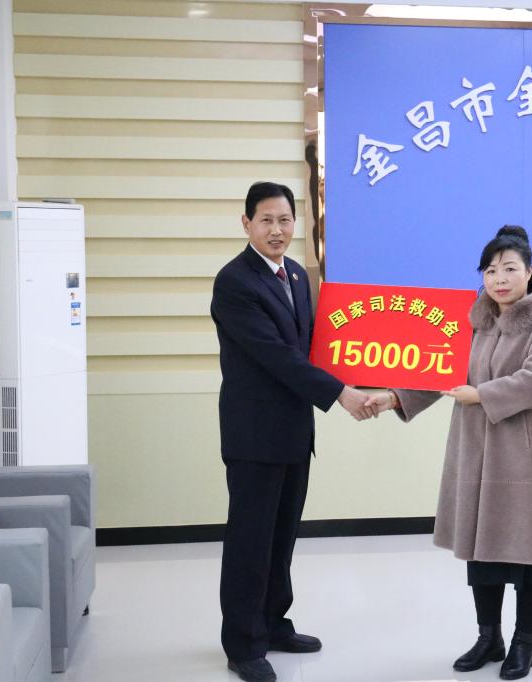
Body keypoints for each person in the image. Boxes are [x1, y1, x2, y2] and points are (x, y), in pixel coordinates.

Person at [368, 225, 532, 680]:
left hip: (526, 458)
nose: (499, 278)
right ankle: (488, 637)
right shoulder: (475, 320)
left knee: (531, 554)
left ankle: (524, 642)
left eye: (509, 269)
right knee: (483, 551)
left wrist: (480, 395)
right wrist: (394, 397)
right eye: (490, 270)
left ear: (530, 271)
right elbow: (440, 370)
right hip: (476, 454)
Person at [211, 181, 376, 682]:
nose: (277, 230)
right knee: (250, 542)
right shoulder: (234, 282)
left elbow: (314, 346)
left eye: (285, 220)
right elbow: (277, 356)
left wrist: (371, 368)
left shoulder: (299, 276)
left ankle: (273, 625)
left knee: (281, 539)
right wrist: (341, 393)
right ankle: (243, 644)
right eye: (266, 220)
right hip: (253, 436)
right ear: (246, 224)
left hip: (294, 433)